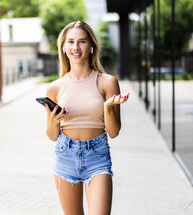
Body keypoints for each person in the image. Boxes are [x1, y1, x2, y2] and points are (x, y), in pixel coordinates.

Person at [44, 21, 129, 215]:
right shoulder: (54, 88)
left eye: (82, 41)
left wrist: (107, 108)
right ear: (64, 48)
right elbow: (51, 135)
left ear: (91, 47)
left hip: (97, 158)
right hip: (65, 155)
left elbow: (114, 133)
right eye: (71, 42)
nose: (76, 47)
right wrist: (54, 122)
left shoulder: (107, 82)